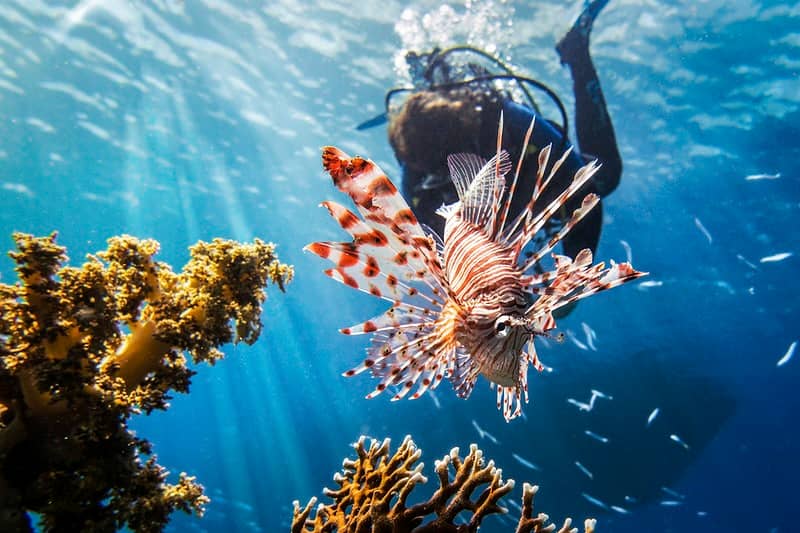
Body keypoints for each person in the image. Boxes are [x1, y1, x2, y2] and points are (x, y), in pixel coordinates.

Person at [363, 0, 620, 267]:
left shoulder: (511, 124)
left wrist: (573, 275)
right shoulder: (418, 174)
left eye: (447, 167)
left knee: (606, 175)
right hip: (499, 211)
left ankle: (575, 50)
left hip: (528, 175)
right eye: (436, 174)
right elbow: (430, 257)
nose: (450, 180)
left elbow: (583, 189)